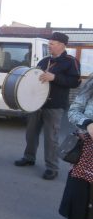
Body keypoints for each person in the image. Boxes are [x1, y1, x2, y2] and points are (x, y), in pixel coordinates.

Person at [14, 32, 81, 180]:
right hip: (36, 103)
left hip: (54, 105)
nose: (49, 45)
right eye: (49, 43)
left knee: (51, 137)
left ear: (62, 45)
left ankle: (52, 167)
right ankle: (29, 157)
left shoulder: (71, 61)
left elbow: (75, 82)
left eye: (52, 43)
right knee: (31, 133)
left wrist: (55, 77)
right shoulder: (44, 60)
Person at [54, 77, 93, 219]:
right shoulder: (92, 83)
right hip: (87, 149)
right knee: (79, 193)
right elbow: (74, 110)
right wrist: (87, 123)